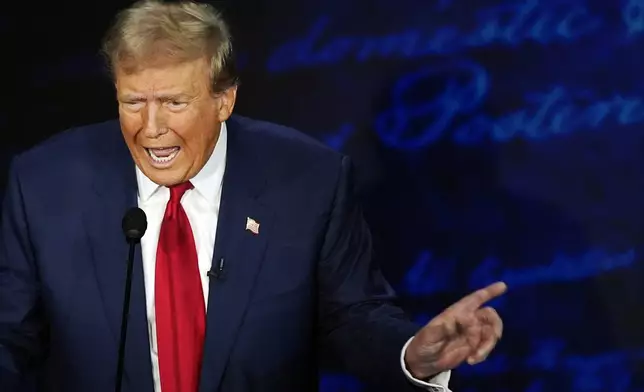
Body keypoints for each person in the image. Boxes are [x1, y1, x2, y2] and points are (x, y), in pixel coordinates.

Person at [0, 1, 506, 391]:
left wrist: (412, 354)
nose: (150, 129)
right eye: (133, 102)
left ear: (225, 99)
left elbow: (352, 317)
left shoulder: (309, 180)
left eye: (174, 102)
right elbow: (10, 336)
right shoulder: (45, 184)